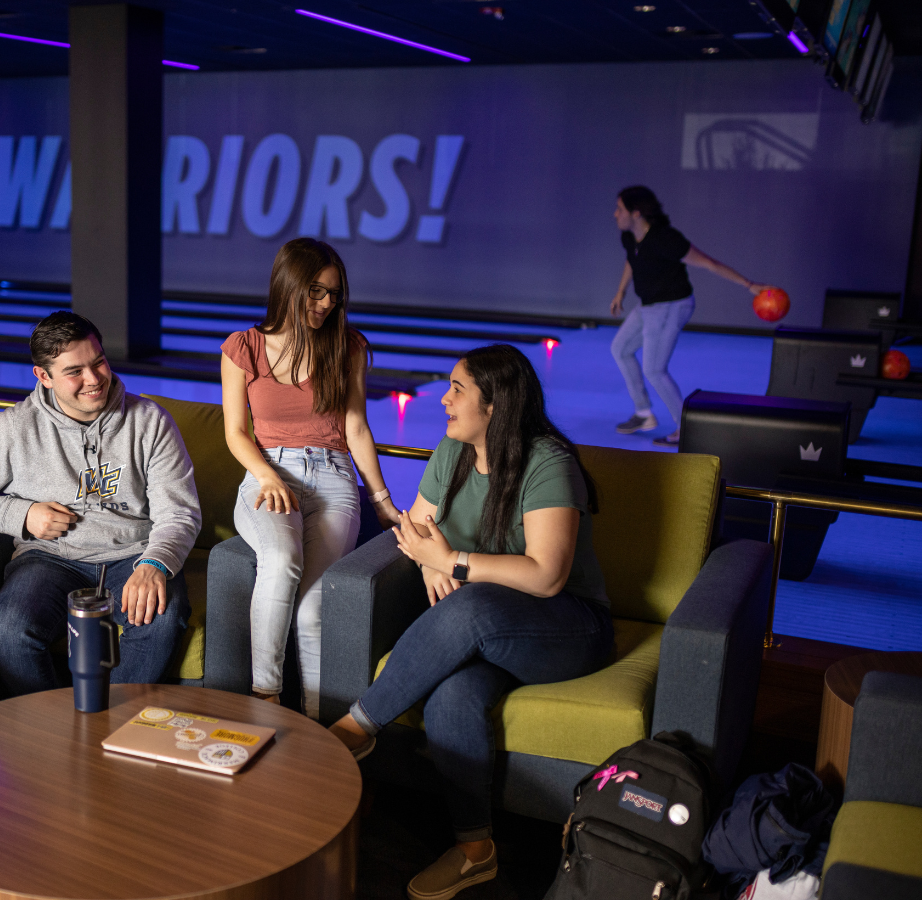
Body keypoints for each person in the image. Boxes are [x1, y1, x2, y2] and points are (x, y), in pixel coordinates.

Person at [326, 344, 614, 900]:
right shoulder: (452, 454)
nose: (445, 398)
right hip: (489, 627)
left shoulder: (548, 462)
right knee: (452, 695)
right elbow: (414, 531)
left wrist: (452, 563)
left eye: (458, 389)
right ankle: (475, 848)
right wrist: (431, 565)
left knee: (471, 605)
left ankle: (357, 727)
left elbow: (547, 576)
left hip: (568, 628)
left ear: (495, 406)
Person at [0, 311, 200, 695]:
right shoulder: (14, 428)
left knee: (163, 615)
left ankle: (114, 729)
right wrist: (22, 514)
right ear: (43, 376)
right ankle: (52, 729)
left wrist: (155, 563)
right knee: (8, 629)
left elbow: (178, 511)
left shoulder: (149, 422)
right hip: (50, 558)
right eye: (75, 371)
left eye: (98, 363)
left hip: (133, 554)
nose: (94, 380)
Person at [221, 237, 402, 719]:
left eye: (334, 294)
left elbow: (356, 427)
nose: (326, 304)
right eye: (316, 292)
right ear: (289, 286)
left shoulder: (347, 346)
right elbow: (237, 434)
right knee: (280, 559)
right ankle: (266, 698)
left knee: (312, 609)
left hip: (334, 477)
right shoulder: (244, 347)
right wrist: (266, 475)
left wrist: (381, 501)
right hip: (267, 475)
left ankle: (320, 730)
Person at [609, 185, 775, 446]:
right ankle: (643, 413)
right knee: (620, 349)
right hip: (649, 306)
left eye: (619, 209)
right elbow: (633, 259)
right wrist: (620, 292)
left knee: (654, 369)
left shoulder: (666, 239)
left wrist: (749, 284)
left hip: (672, 306)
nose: (615, 214)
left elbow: (710, 263)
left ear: (636, 213)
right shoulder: (629, 237)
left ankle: (685, 428)